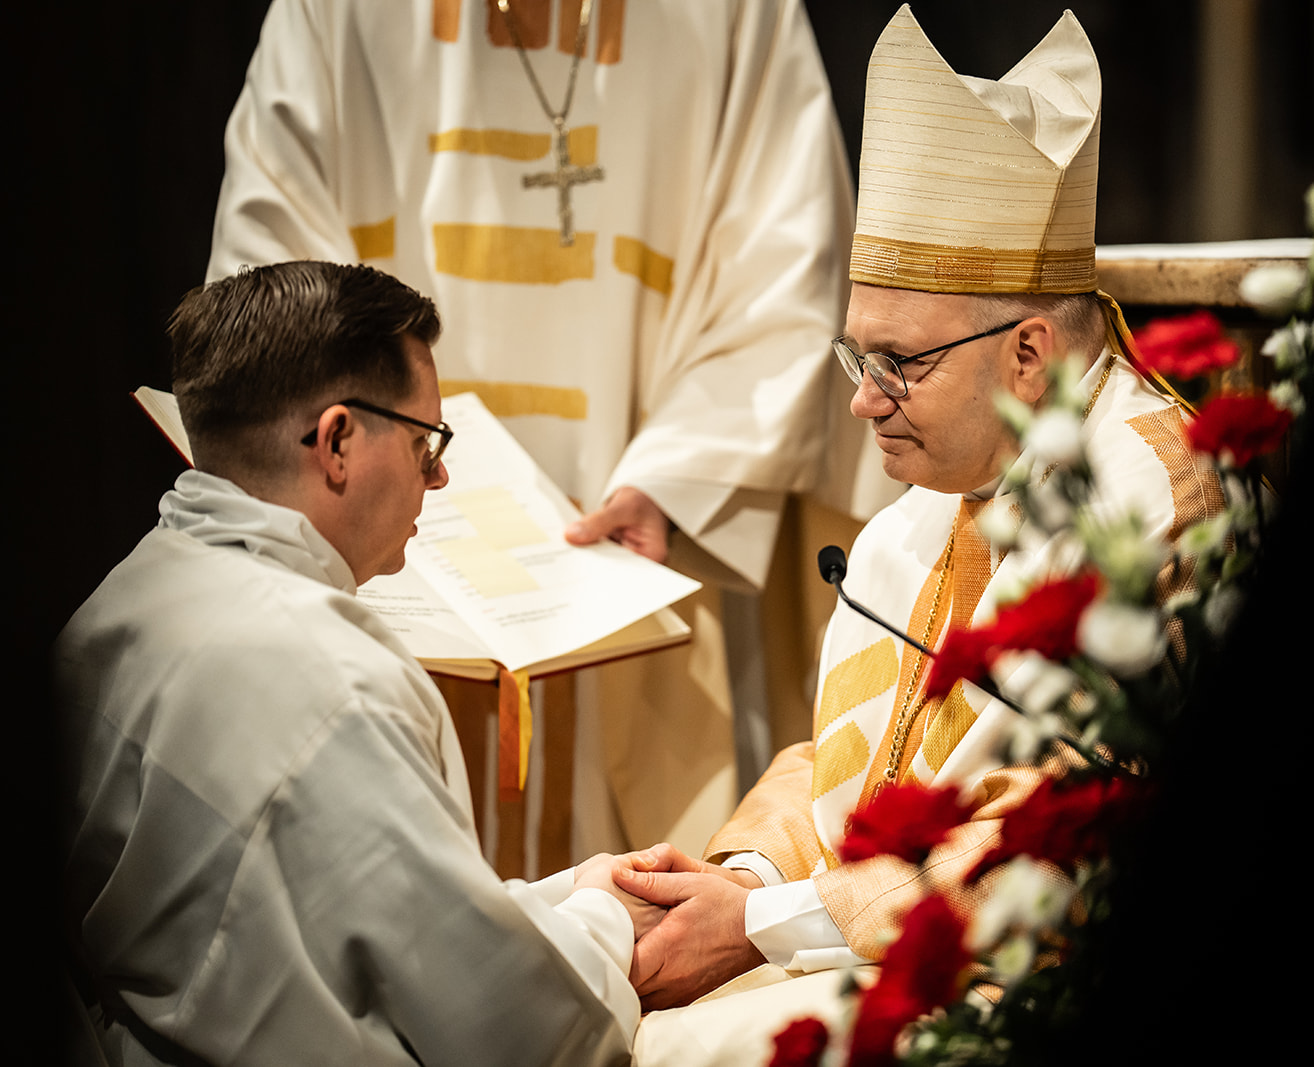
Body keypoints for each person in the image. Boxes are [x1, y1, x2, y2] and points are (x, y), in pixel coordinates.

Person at [612, 8, 1224, 1060]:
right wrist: (745, 879)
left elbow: (1059, 840)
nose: (864, 401)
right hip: (880, 939)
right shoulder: (934, 497)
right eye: (857, 360)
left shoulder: (1139, 501)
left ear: (1028, 352)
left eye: (898, 362)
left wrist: (758, 926)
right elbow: (852, 766)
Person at [206, 0, 881, 864]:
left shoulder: (730, 16)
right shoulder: (335, 16)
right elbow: (266, 280)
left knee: (647, 920)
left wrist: (672, 482)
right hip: (387, 553)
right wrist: (381, 476)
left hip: (635, 564)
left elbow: (789, 272)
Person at [59, 261, 649, 1066]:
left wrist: (568, 895)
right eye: (426, 442)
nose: (438, 475)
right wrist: (610, 922)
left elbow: (345, 929)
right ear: (337, 440)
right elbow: (515, 1032)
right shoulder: (333, 682)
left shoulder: (117, 603)